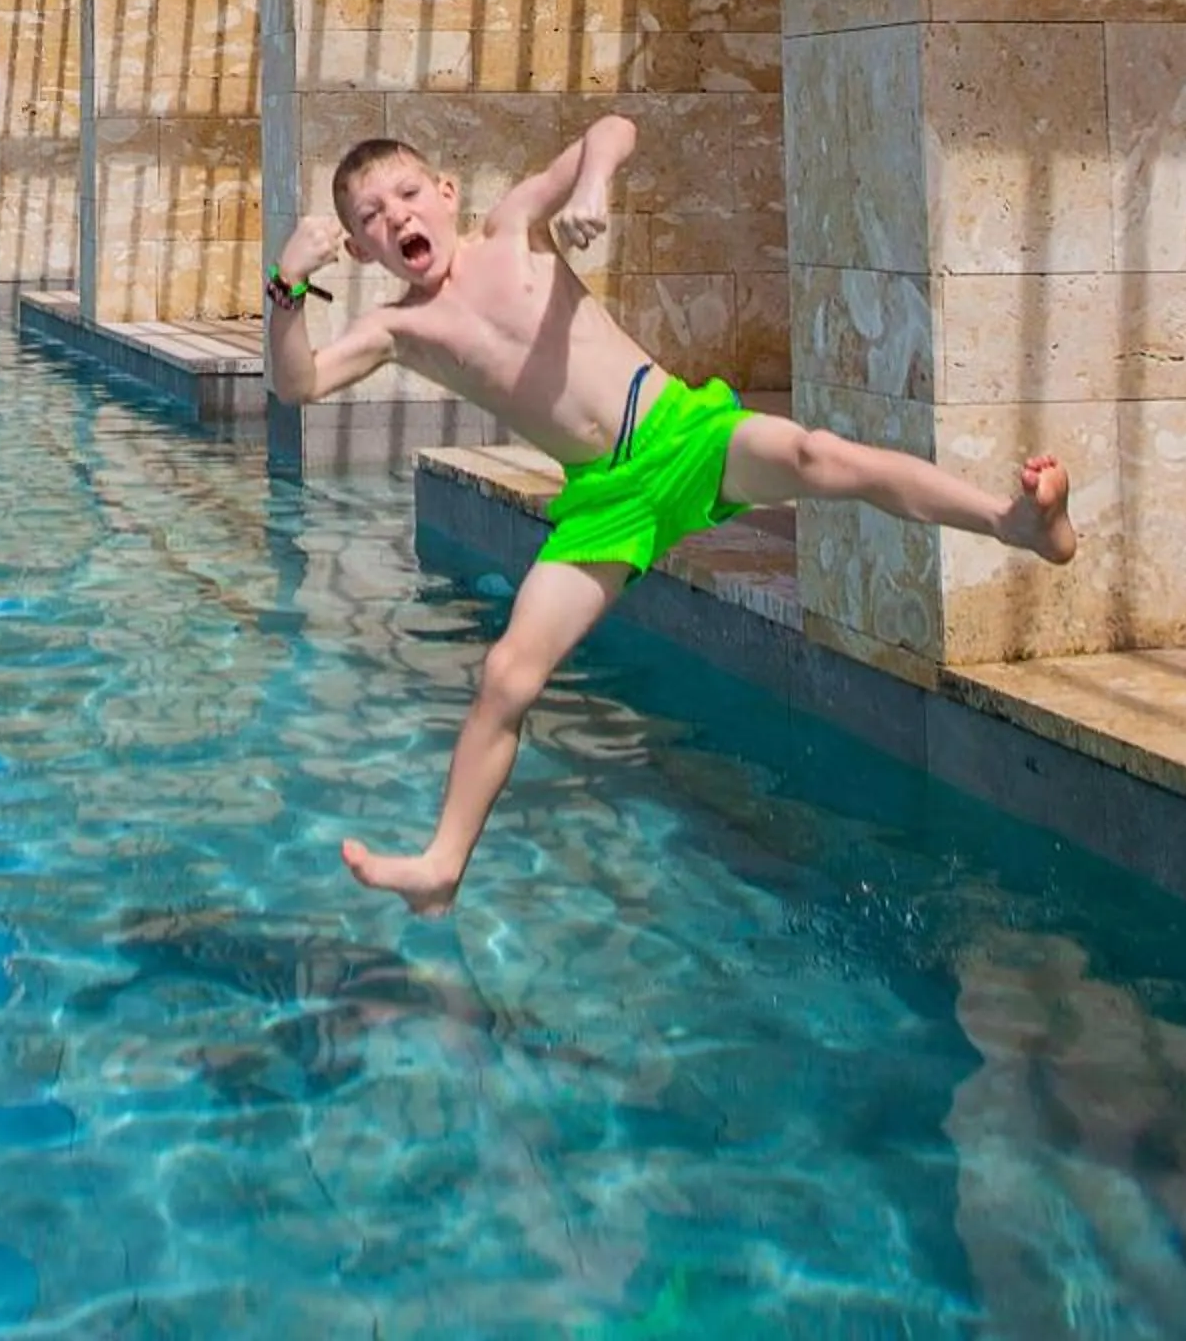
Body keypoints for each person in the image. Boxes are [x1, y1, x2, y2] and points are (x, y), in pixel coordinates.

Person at [266, 117, 1078, 912]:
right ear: (362, 250)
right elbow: (296, 385)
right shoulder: (397, 329)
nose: (396, 216)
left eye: (407, 193)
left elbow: (613, 128)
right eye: (370, 218)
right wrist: (289, 289)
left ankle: (1010, 521)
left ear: (446, 192)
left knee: (816, 455)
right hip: (604, 500)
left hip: (677, 432)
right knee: (507, 673)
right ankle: (443, 863)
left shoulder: (513, 227)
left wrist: (589, 185)